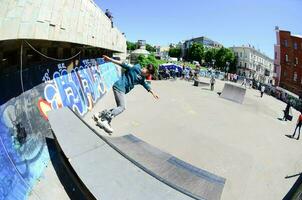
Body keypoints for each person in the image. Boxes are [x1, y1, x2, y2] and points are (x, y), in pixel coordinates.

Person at [94, 55, 159, 133]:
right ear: (145, 68)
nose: (146, 74)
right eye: (147, 72)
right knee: (122, 107)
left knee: (119, 107)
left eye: (148, 74)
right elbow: (122, 64)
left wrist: (153, 93)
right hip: (119, 87)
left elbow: (146, 85)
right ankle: (105, 120)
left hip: (122, 90)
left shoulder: (142, 78)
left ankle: (100, 115)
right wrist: (110, 59)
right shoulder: (135, 68)